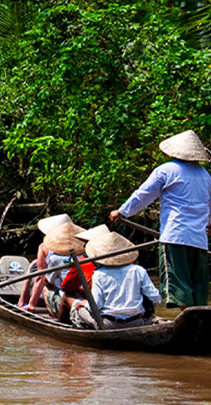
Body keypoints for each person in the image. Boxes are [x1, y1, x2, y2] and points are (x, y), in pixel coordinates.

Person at [109, 130, 211, 309]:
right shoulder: (206, 175)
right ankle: (199, 325)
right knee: (198, 287)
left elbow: (144, 194)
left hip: (175, 237)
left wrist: (122, 212)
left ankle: (191, 324)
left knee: (178, 286)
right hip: (199, 240)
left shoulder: (166, 170)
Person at [70, 232, 161, 330]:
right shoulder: (138, 270)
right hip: (137, 322)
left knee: (77, 308)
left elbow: (96, 306)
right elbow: (156, 298)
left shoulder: (99, 274)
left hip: (108, 324)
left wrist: (83, 304)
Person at [18, 213, 72, 309]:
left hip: (54, 293)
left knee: (33, 266)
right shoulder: (80, 247)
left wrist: (32, 304)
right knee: (34, 263)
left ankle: (22, 301)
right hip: (75, 289)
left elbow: (41, 278)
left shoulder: (44, 247)